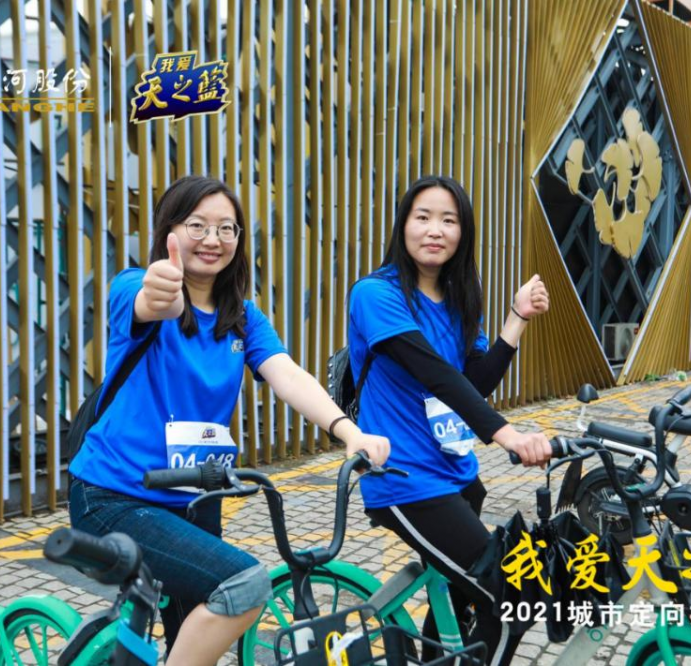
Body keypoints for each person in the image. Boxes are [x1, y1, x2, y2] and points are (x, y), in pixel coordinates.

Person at [68, 175, 390, 666]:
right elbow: (148, 299)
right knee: (242, 583)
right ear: (169, 230)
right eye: (197, 225)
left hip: (196, 496)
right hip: (116, 496)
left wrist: (349, 431)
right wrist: (161, 293)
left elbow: (286, 374)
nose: (212, 239)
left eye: (226, 228)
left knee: (193, 636)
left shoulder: (241, 316)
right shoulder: (134, 285)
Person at [348, 175, 552, 665]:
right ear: (403, 225)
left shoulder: (459, 300)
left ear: (463, 232)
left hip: (458, 477)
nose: (435, 230)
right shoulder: (376, 294)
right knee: (508, 595)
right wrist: (506, 435)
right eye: (423, 217)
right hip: (406, 481)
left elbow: (473, 383)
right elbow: (435, 374)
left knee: (459, 594)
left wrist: (517, 317)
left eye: (449, 220)